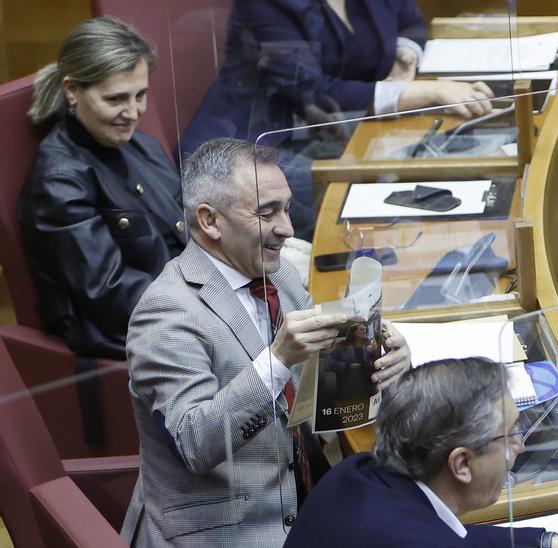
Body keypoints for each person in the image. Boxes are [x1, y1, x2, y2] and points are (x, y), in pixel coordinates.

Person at [122, 138, 413, 545]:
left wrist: (380, 361)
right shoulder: (166, 313)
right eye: (267, 213)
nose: (288, 229)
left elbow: (319, 394)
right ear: (209, 221)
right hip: (226, 531)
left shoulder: (281, 278)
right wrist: (277, 359)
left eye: (287, 208)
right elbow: (195, 445)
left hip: (307, 497)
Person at [180, 0, 497, 240]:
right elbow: (313, 92)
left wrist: (406, 56)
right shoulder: (266, 4)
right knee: (373, 217)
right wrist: (423, 91)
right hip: (256, 147)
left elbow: (410, 21)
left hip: (332, 132)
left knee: (461, 169)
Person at [284, 357, 558, 547]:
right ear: (461, 463)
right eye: (510, 435)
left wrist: (557, 543)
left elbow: (460, 539)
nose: (520, 445)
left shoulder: (356, 473)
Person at [18, 17, 187, 360]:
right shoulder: (58, 181)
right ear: (72, 91)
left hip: (180, 303)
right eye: (115, 99)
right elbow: (110, 294)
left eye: (141, 95)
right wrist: (210, 305)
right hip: (131, 334)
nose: (134, 112)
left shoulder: (142, 145)